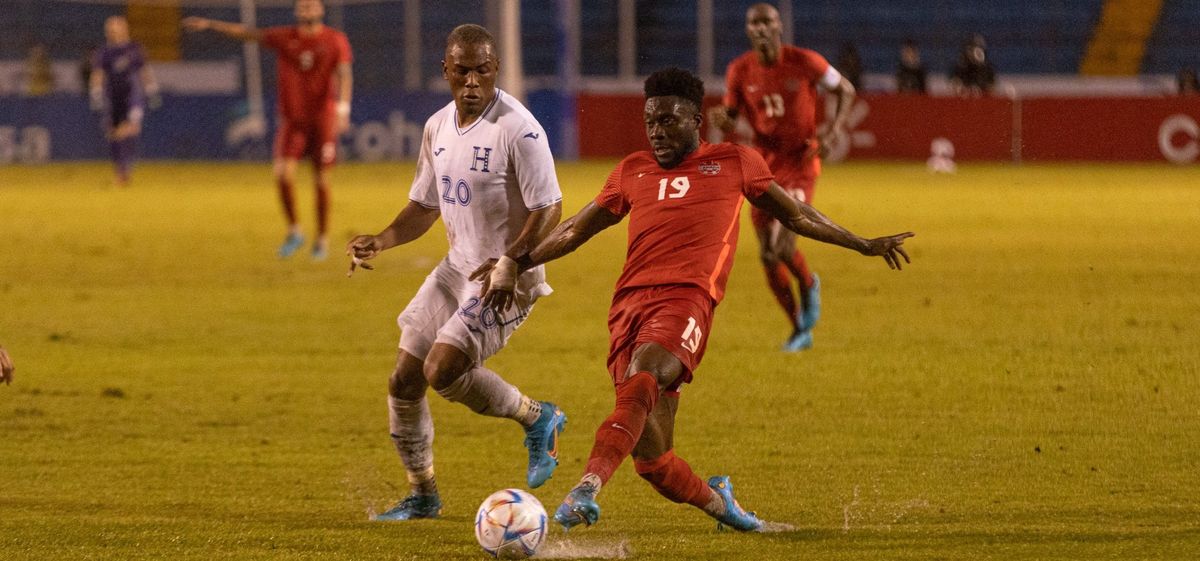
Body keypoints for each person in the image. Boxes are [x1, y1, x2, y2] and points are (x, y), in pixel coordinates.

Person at [473, 67, 912, 533]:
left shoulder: (734, 161)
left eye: (668, 120)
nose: (657, 132)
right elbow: (574, 229)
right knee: (653, 461)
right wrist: (516, 262)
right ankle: (725, 507)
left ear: (695, 120)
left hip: (687, 300)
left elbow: (798, 213)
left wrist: (862, 243)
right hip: (627, 308)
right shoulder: (631, 170)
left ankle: (587, 486)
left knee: (644, 377)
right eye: (650, 121)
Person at [345, 24, 567, 521]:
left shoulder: (520, 129)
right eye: (461, 70)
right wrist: (380, 239)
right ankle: (423, 494)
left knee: (442, 370)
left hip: (507, 279)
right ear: (445, 70)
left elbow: (549, 207)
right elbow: (425, 205)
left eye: (482, 71)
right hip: (456, 267)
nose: (471, 81)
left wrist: (512, 260)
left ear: (496, 71)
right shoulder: (437, 126)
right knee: (404, 380)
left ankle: (539, 418)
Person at [708, 2, 857, 352]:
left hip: (801, 162)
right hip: (763, 166)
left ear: (778, 27)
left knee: (784, 245)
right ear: (748, 30)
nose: (760, 29)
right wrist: (724, 120)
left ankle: (809, 285)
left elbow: (845, 90)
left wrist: (834, 130)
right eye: (754, 24)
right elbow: (731, 115)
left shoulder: (806, 61)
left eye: (767, 23)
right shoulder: (739, 71)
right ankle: (797, 328)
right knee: (766, 255)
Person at [184, 0, 352, 260]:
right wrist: (210, 24)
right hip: (293, 120)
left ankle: (321, 239)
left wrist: (342, 110)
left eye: (311, 6)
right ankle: (295, 230)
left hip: (322, 120)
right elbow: (247, 33)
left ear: (320, 10)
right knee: (282, 174)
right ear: (297, 11)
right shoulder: (285, 37)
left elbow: (344, 74)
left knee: (320, 178)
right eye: (303, 6)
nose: (307, 10)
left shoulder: (335, 40)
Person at [90, 17, 160, 187]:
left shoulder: (134, 49)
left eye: (116, 29)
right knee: (113, 133)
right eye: (110, 30)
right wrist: (96, 92)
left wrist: (151, 89)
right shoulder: (104, 52)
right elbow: (98, 73)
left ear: (125, 29)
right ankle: (121, 171)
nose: (113, 33)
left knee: (130, 128)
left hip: (133, 96)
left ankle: (125, 171)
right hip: (113, 97)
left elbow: (144, 71)